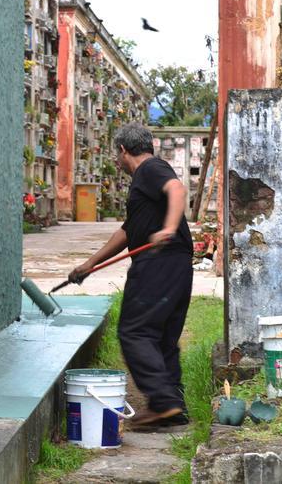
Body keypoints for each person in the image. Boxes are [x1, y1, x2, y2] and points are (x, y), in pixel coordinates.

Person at [68, 123, 194, 428]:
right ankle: (172, 406)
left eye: (116, 154)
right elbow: (128, 231)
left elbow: (177, 188)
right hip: (175, 264)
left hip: (158, 263)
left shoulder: (150, 169)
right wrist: (89, 264)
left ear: (123, 150)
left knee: (134, 332)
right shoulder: (145, 180)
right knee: (161, 337)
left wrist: (167, 228)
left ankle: (162, 402)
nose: (116, 160)